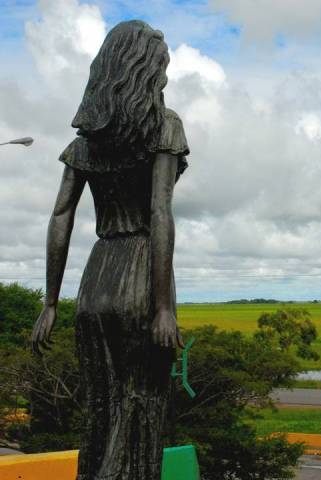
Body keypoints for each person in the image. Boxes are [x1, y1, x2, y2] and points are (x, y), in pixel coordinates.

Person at [30, 20, 189, 479]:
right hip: (141, 271)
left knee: (100, 404)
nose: (163, 79)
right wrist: (163, 309)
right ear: (144, 70)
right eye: (160, 69)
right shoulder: (165, 126)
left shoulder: (84, 145)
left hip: (94, 282)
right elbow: (160, 213)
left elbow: (61, 217)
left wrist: (50, 303)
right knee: (141, 404)